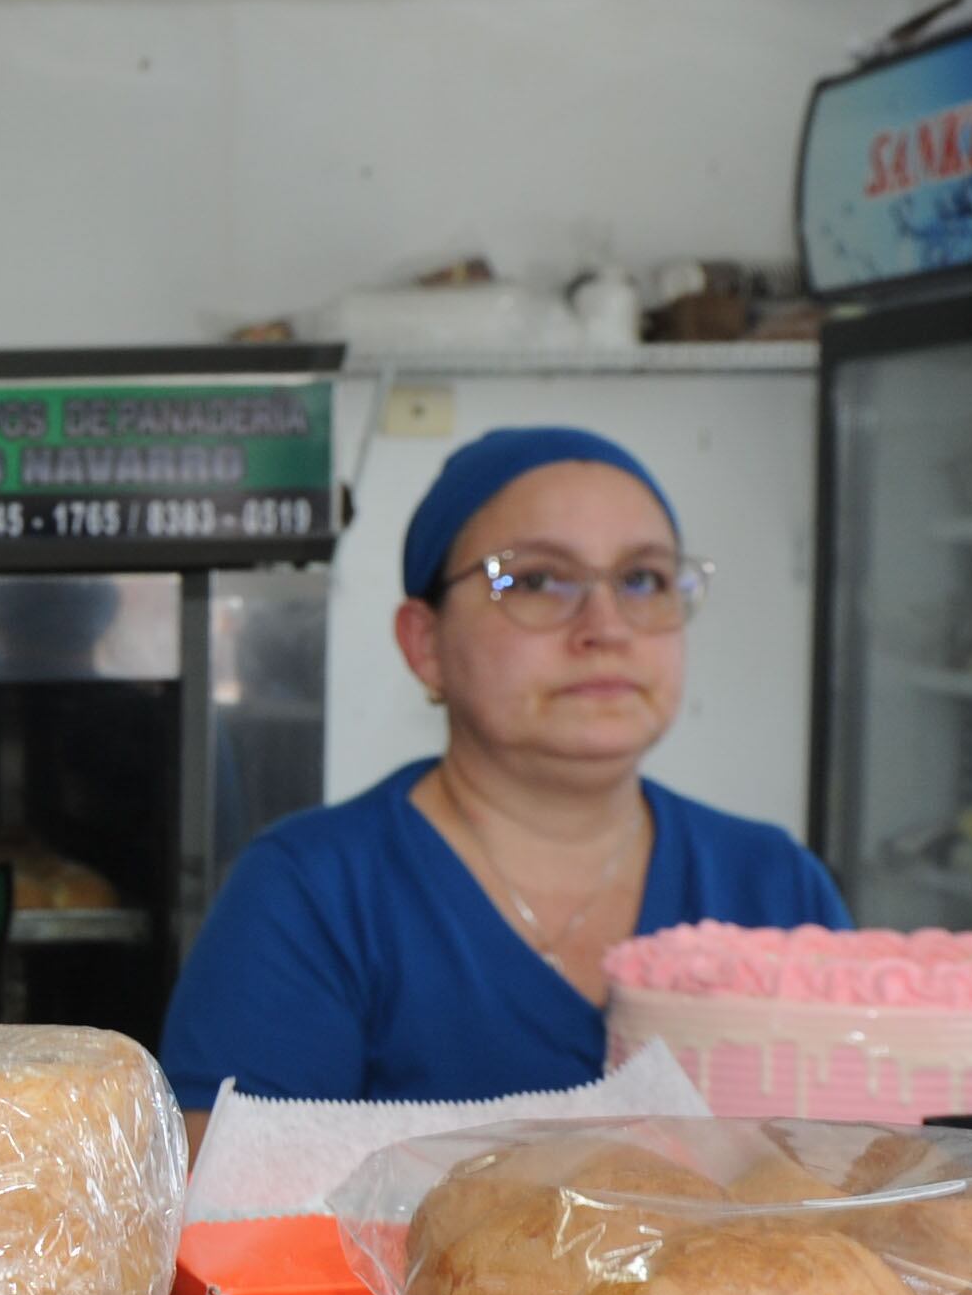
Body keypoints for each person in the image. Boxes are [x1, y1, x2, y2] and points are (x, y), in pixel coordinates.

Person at [157, 425, 846, 1109]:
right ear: (425, 644)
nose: (607, 628)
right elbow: (223, 1175)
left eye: (643, 579)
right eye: (538, 580)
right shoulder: (314, 894)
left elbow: (871, 1161)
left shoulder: (776, 890)